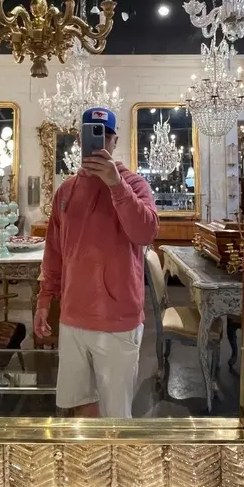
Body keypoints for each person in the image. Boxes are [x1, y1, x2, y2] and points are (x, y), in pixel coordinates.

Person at [34, 107, 159, 418]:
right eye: (92, 134)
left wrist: (116, 185)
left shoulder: (135, 185)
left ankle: (115, 453)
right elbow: (54, 252)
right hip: (72, 317)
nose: (99, 141)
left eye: (106, 135)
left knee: (116, 414)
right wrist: (44, 299)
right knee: (80, 408)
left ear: (115, 141)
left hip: (118, 320)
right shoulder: (66, 191)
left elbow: (145, 233)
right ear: (80, 140)